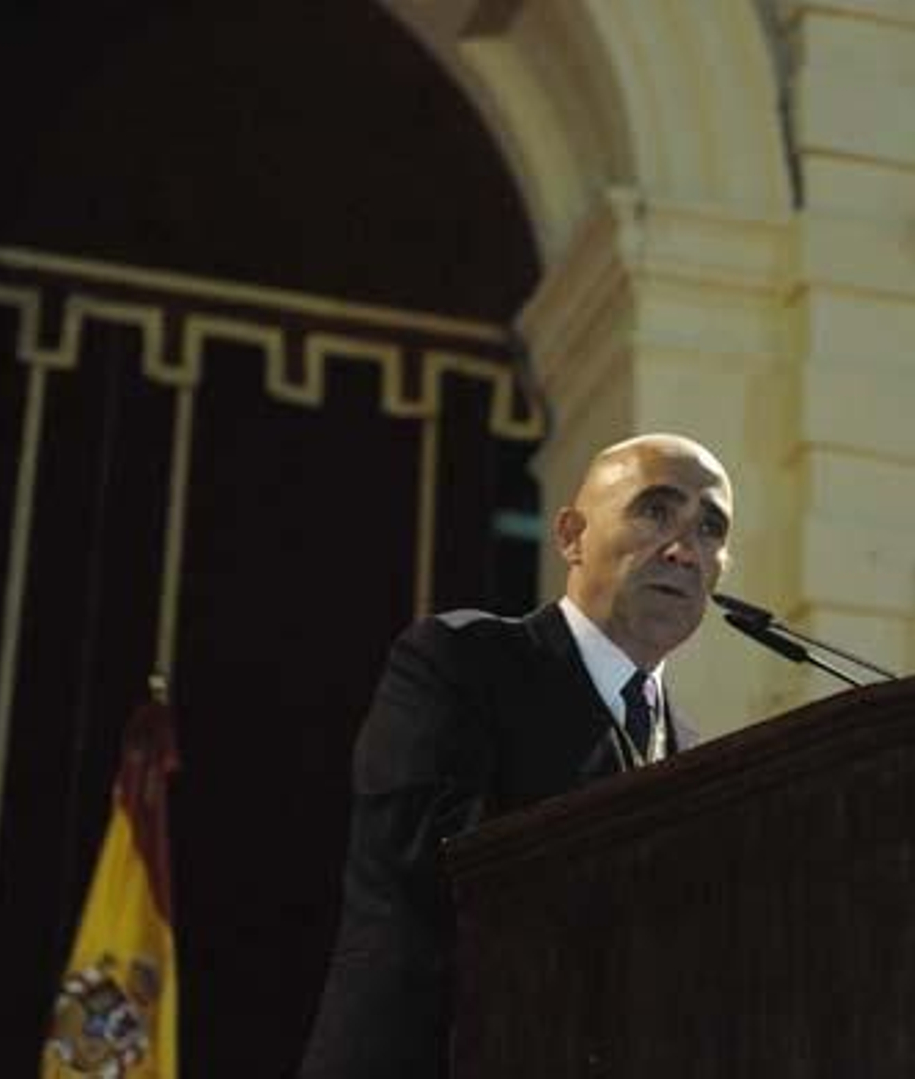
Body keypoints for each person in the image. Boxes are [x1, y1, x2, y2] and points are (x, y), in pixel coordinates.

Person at [299, 432, 734, 1079]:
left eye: (709, 528)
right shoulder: (460, 660)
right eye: (655, 511)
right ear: (570, 534)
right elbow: (438, 864)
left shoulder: (699, 757)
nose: (683, 549)